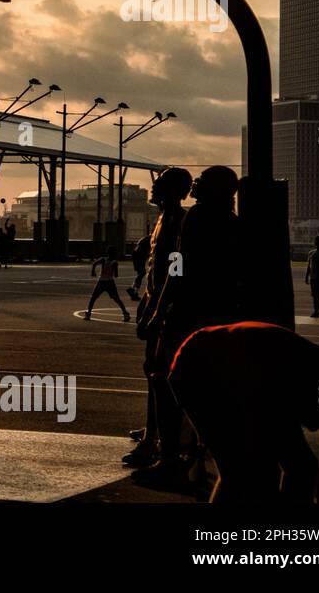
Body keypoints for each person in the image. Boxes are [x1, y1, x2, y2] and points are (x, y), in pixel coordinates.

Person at [137, 165, 244, 488]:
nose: (196, 184)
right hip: (218, 314)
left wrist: (157, 309)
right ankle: (192, 452)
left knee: (165, 378)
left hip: (187, 312)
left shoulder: (197, 217)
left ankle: (169, 456)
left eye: (202, 181)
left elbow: (178, 267)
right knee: (204, 385)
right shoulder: (233, 223)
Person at [169, 321, 319, 504]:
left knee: (300, 466)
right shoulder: (301, 383)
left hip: (230, 365)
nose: (315, 428)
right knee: (238, 473)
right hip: (199, 368)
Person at [125, 166, 192, 469]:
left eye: (160, 183)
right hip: (156, 302)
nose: (153, 187)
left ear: (175, 191)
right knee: (152, 370)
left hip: (167, 308)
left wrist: (157, 311)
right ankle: (155, 429)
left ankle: (158, 439)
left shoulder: (179, 221)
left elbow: (174, 273)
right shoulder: (164, 218)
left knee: (162, 375)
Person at [85, 247, 130, 322]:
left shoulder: (103, 259)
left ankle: (88, 314)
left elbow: (94, 263)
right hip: (109, 282)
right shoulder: (114, 262)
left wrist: (93, 271)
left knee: (93, 298)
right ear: (114, 254)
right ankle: (125, 313)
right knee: (117, 299)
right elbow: (116, 275)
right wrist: (114, 270)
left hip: (102, 281)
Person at [127, 235, 149, 301]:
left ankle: (134, 291)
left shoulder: (145, 238)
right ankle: (133, 290)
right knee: (142, 273)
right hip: (139, 255)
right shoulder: (150, 238)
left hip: (137, 254)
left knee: (140, 273)